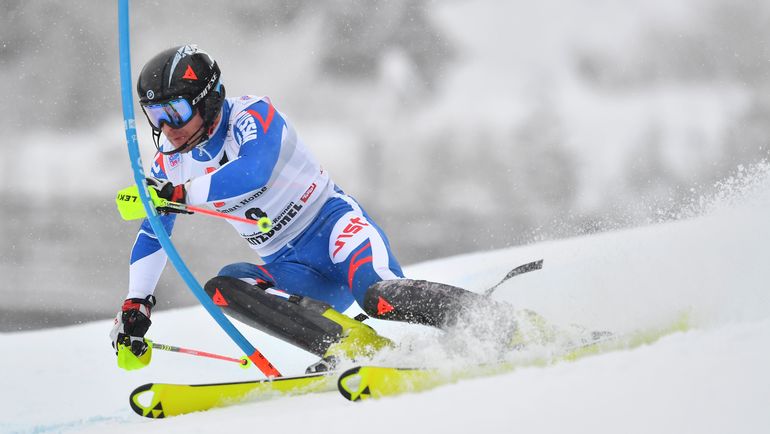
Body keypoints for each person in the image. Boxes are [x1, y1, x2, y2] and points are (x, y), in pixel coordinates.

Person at [110, 44, 518, 373]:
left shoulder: (253, 116)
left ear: (208, 100)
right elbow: (154, 232)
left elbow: (253, 172)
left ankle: (490, 320)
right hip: (293, 271)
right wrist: (136, 303)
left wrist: (179, 194)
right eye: (155, 116)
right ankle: (346, 345)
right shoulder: (170, 164)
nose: (167, 128)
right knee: (224, 287)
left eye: (175, 111)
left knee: (379, 297)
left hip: (338, 233)